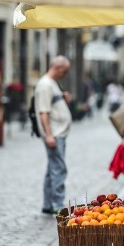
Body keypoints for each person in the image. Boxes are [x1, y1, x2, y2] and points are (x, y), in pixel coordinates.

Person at [35, 55, 72, 215]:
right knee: (59, 169)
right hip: (55, 134)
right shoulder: (44, 85)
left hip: (58, 134)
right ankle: (57, 204)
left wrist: (63, 99)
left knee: (52, 169)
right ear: (57, 68)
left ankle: (47, 203)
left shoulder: (53, 84)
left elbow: (53, 105)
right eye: (65, 71)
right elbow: (43, 112)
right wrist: (49, 135)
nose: (66, 74)